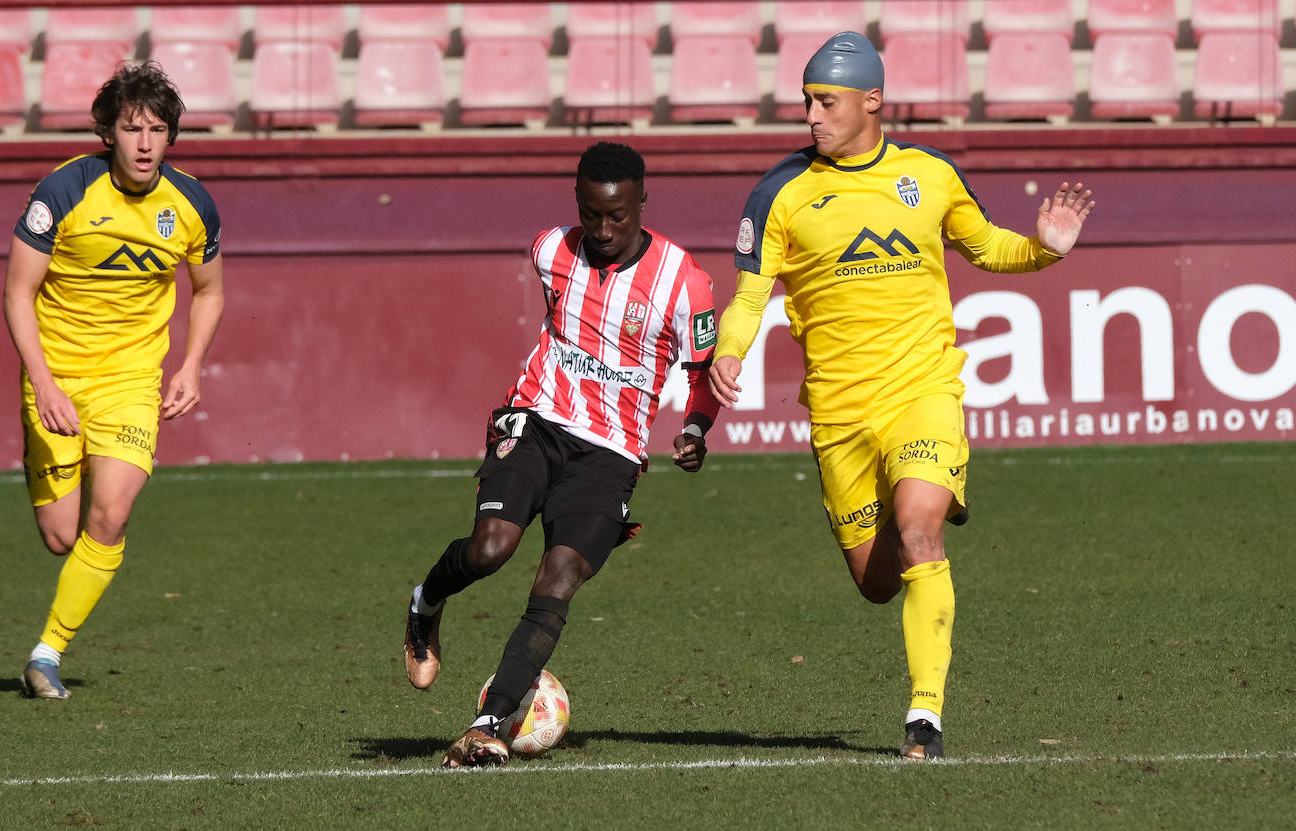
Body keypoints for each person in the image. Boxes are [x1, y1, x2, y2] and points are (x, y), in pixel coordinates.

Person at [708, 32, 1094, 760]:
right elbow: (750, 296)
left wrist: (1044, 247)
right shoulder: (779, 192)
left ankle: (925, 717)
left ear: (872, 101)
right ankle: (906, 503)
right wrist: (730, 349)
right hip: (840, 414)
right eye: (807, 102)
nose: (812, 116)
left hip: (923, 389)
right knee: (877, 582)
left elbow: (989, 246)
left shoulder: (930, 174)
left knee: (920, 531)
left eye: (826, 102)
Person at [403, 141, 720, 768]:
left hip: (612, 452)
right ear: (576, 202)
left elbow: (703, 374)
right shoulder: (550, 249)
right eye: (590, 214)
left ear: (642, 204)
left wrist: (695, 429)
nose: (602, 230)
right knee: (490, 549)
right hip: (537, 420)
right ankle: (425, 602)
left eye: (617, 216)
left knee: (562, 574)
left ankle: (488, 724)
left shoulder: (686, 282)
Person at [4, 63, 225, 700]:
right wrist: (44, 384)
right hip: (56, 377)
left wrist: (191, 364)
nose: (146, 143)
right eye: (132, 129)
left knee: (111, 514)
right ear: (109, 134)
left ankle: (46, 655)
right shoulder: (63, 190)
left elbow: (209, 291)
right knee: (60, 537)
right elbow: (17, 293)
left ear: (171, 135)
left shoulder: (192, 204)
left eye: (157, 129)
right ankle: (56, 461)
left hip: (130, 381)